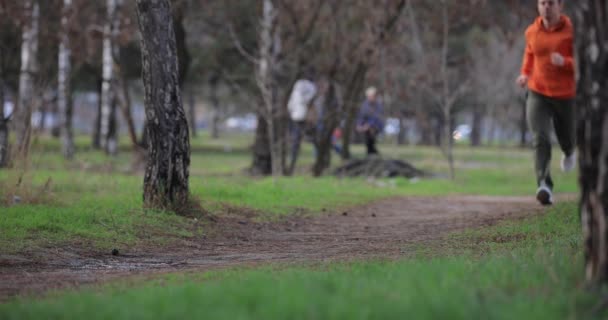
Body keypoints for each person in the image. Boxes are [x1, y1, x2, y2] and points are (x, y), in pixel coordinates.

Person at [516, 0, 576, 205]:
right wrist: (524, 74)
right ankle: (544, 185)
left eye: (551, 3)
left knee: (566, 137)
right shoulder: (532, 31)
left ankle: (569, 151)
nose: (546, 7)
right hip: (538, 92)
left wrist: (566, 62)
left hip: (565, 95)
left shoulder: (571, 31)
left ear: (561, 6)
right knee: (540, 137)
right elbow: (530, 54)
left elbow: (585, 61)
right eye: (542, 3)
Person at [287, 72, 317, 174]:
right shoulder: (311, 87)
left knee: (297, 138)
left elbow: (291, 102)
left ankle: (293, 157)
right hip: (304, 116)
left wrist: (291, 110)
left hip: (295, 115)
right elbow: (308, 100)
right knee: (313, 138)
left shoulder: (298, 85)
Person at [356, 87, 384, 156]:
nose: (371, 98)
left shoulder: (378, 105)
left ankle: (373, 154)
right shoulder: (364, 105)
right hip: (366, 127)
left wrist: (368, 125)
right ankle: (372, 154)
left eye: (372, 96)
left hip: (375, 126)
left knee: (371, 139)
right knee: (368, 142)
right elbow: (361, 117)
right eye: (369, 96)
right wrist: (359, 125)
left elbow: (376, 118)